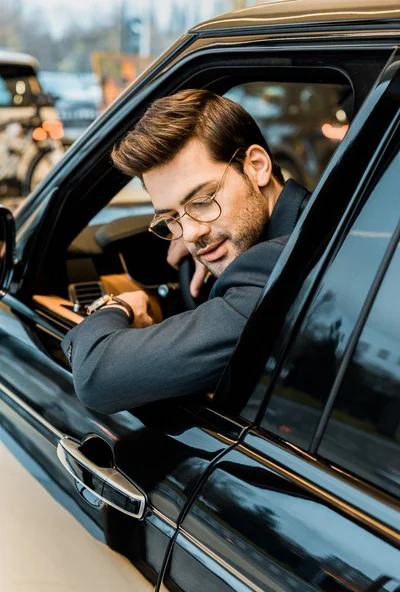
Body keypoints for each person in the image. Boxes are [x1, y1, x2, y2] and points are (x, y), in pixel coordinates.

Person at [61, 89, 310, 413]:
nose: (191, 234)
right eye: (171, 217)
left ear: (257, 166)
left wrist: (117, 305)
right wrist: (215, 233)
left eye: (203, 200)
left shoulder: (278, 265)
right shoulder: (314, 219)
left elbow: (96, 374)